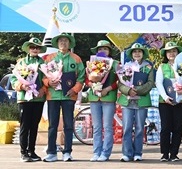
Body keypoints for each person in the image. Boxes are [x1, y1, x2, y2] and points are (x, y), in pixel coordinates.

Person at [42, 33, 85, 163]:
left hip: (69, 96)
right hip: (53, 96)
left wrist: (75, 89)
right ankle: (51, 152)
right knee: (52, 125)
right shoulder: (49, 58)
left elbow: (81, 77)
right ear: (57, 43)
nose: (63, 43)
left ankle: (67, 152)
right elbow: (42, 76)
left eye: (66, 41)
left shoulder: (76, 58)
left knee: (68, 125)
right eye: (61, 41)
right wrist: (48, 82)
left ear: (69, 43)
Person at [11, 37, 47, 162]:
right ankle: (23, 152)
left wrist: (43, 89)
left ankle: (32, 151)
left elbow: (47, 79)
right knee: (25, 125)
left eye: (37, 47)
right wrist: (22, 86)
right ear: (28, 49)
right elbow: (13, 79)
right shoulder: (21, 62)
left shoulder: (43, 62)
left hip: (38, 98)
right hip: (24, 99)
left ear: (40, 49)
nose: (35, 49)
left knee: (34, 126)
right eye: (32, 47)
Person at [117, 43, 155, 162]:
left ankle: (138, 153)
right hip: (127, 101)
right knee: (127, 128)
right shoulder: (126, 66)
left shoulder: (148, 66)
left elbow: (150, 83)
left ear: (143, 53)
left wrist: (137, 90)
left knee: (139, 128)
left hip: (141, 101)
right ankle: (126, 153)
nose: (137, 53)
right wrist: (128, 90)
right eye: (134, 51)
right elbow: (120, 83)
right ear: (131, 54)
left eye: (139, 51)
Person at [155, 41, 182, 162]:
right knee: (165, 128)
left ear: (178, 53)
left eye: (174, 51)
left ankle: (174, 153)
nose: (171, 53)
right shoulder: (162, 67)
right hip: (165, 102)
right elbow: (158, 83)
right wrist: (165, 97)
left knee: (178, 128)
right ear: (165, 54)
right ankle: (165, 153)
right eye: (169, 52)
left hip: (181, 101)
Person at [85, 40, 119, 162]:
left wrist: (108, 89)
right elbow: (86, 79)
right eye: (100, 49)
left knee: (107, 126)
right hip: (94, 97)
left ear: (109, 51)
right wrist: (93, 86)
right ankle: (96, 152)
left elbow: (121, 80)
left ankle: (105, 152)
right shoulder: (91, 63)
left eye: (105, 49)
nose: (102, 51)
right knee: (97, 126)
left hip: (108, 97)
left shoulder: (115, 64)